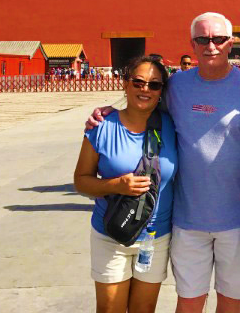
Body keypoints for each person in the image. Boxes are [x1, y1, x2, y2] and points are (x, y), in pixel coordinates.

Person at [87, 12, 240, 313]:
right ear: (192, 44)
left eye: (218, 39)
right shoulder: (177, 87)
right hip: (188, 220)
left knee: (230, 300)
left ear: (231, 43)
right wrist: (109, 112)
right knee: (188, 301)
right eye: (202, 39)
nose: (210, 46)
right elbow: (143, 104)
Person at [74, 55, 177, 313]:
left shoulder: (173, 125)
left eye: (154, 85)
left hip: (155, 237)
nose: (145, 89)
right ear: (125, 84)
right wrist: (115, 185)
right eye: (138, 82)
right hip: (111, 234)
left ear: (162, 91)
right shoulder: (102, 127)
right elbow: (81, 181)